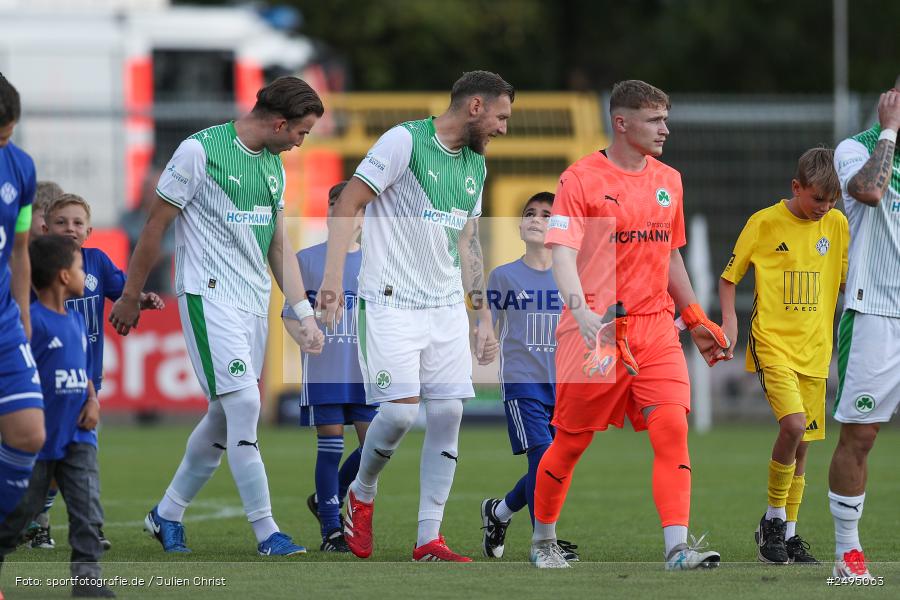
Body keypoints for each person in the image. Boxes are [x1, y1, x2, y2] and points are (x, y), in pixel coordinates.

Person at [108, 76, 326, 556]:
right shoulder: (198, 152)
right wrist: (130, 293)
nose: (299, 142)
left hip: (252, 305)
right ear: (278, 121)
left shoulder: (273, 167)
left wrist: (302, 310)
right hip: (207, 298)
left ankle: (166, 514)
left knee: (225, 416)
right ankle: (268, 532)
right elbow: (155, 226)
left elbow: (277, 243)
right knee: (245, 407)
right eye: (301, 132)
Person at [529, 80, 729, 569]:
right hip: (594, 331)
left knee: (672, 430)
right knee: (571, 442)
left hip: (655, 329)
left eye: (665, 118)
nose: (666, 128)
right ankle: (542, 540)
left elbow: (670, 256)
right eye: (654, 119)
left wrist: (694, 315)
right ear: (622, 123)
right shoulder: (580, 179)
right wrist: (582, 316)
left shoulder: (670, 180)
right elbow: (562, 255)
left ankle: (677, 548)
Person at [317, 70, 511, 561]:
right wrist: (334, 278)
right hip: (389, 300)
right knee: (401, 414)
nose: (503, 129)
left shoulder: (475, 165)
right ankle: (360, 492)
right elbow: (349, 205)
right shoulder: (403, 142)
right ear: (474, 107)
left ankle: (429, 537)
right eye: (500, 117)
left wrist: (481, 316)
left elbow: (468, 242)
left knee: (448, 414)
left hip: (445, 306)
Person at [719, 148, 847, 565]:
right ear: (796, 187)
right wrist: (730, 326)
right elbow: (728, 278)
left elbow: (845, 281)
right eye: (816, 200)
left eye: (831, 202)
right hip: (773, 343)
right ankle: (772, 520)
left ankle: (789, 534)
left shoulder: (837, 225)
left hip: (815, 349)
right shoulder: (765, 221)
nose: (823, 209)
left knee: (804, 443)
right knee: (792, 426)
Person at [26, 193, 164, 551]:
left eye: (77, 223)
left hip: (83, 382)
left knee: (79, 458)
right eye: (61, 222)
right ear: (45, 227)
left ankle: (86, 528)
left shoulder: (96, 264)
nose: (70, 229)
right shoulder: (32, 273)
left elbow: (122, 294)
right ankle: (33, 520)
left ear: (88, 230)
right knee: (39, 461)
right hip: (41, 387)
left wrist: (141, 300)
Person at [0, 234, 114, 598]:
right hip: (38, 440)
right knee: (17, 516)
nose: (85, 275)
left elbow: (82, 373)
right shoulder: (31, 325)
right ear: (64, 276)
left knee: (87, 511)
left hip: (77, 436)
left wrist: (92, 400)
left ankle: (87, 582)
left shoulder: (77, 323)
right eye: (80, 268)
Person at [827, 81, 900, 582]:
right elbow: (870, 193)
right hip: (874, 310)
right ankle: (847, 551)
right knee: (861, 436)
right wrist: (890, 132)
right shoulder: (857, 149)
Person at [479, 192, 578, 561]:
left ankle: (499, 512)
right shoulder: (504, 276)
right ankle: (544, 543)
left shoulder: (572, 276)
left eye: (546, 214)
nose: (536, 219)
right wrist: (485, 337)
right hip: (523, 383)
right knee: (544, 459)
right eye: (530, 214)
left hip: (565, 387)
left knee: (554, 466)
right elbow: (487, 320)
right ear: (520, 226)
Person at [282, 181, 375, 553]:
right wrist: (304, 338)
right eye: (334, 203)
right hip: (326, 369)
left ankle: (331, 496)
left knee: (377, 447)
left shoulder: (376, 262)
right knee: (331, 445)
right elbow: (291, 313)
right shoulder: (306, 260)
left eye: (352, 207)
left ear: (364, 218)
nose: (342, 211)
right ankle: (332, 531)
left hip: (368, 371)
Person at [0, 72, 45, 525]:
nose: (4, 143)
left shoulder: (20, 167)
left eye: (8, 134)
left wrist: (24, 317)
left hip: (4, 323)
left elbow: (18, 247)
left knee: (29, 432)